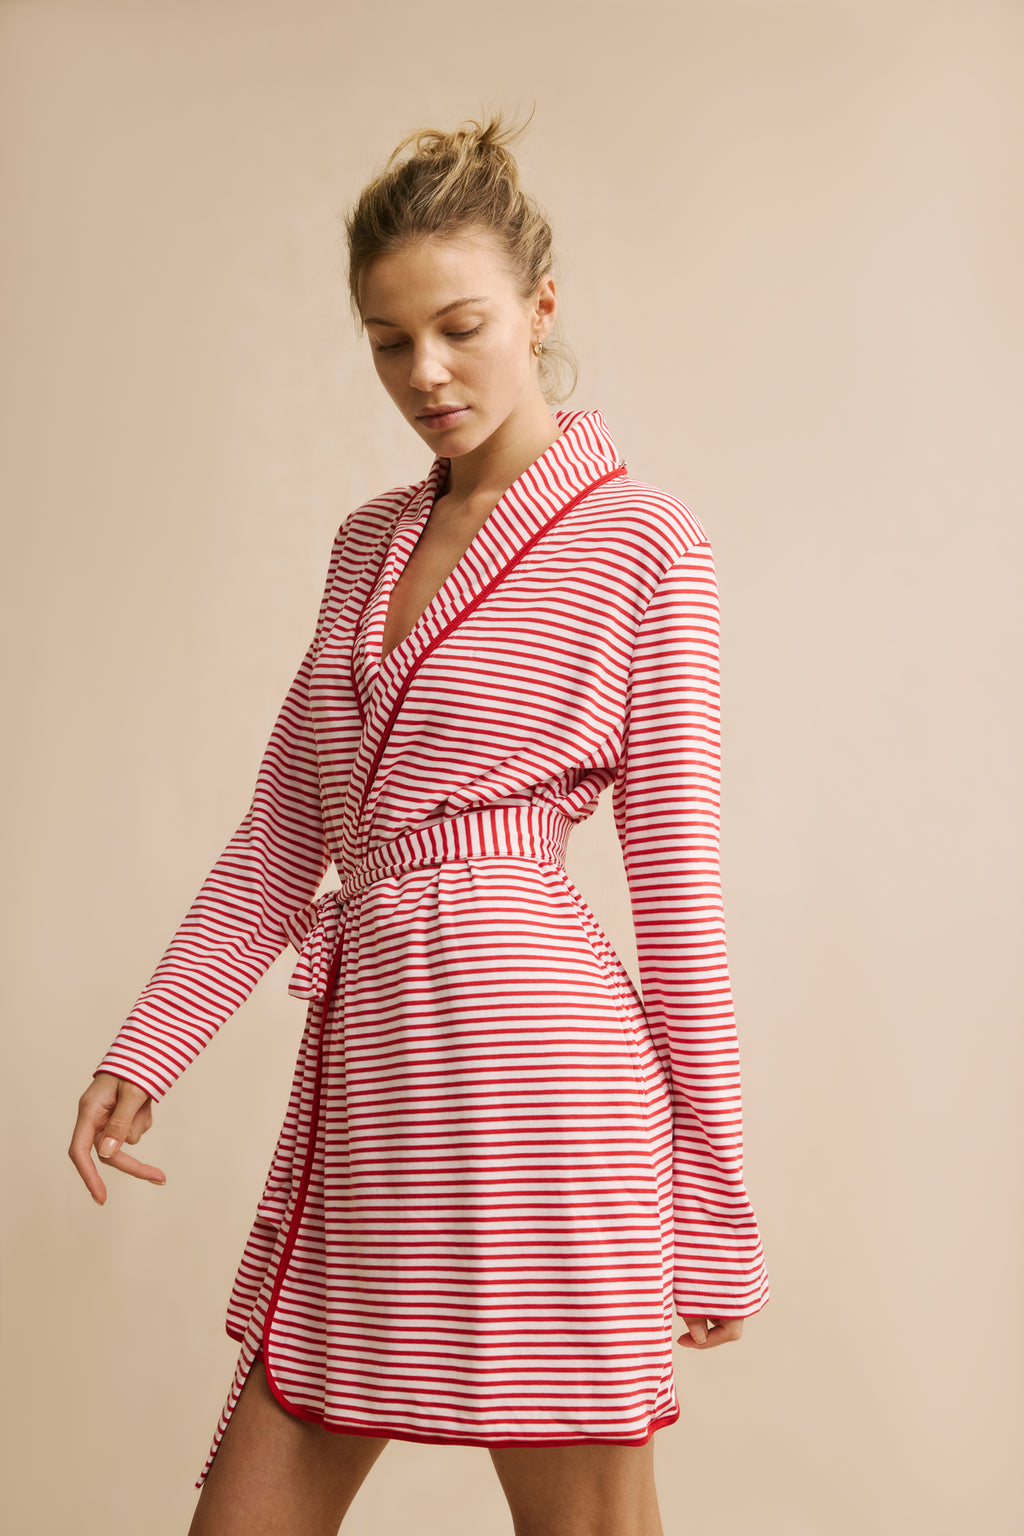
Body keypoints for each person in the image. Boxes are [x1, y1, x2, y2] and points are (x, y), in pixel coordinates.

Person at [69, 110, 769, 1536]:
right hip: (381, 1090)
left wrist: (713, 1200)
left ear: (541, 310)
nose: (425, 375)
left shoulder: (645, 540)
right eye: (389, 342)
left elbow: (679, 896)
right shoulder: (364, 545)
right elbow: (287, 833)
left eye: (460, 328)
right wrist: (150, 1046)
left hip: (546, 1095)